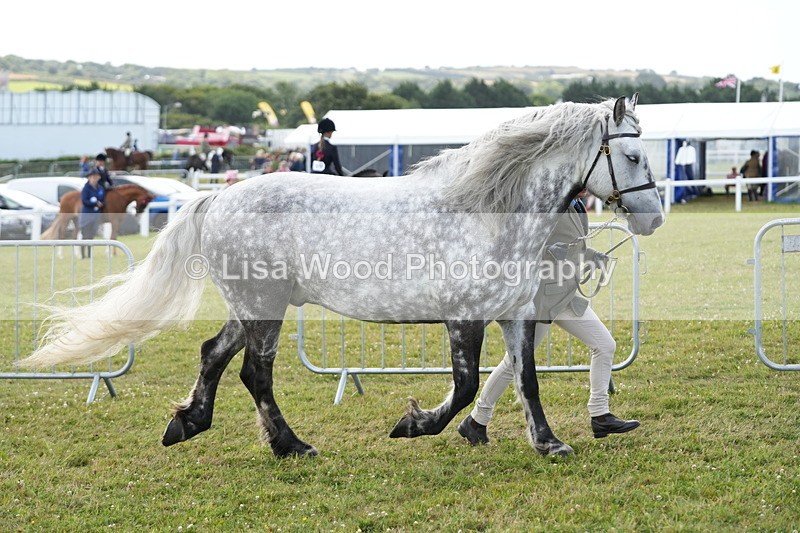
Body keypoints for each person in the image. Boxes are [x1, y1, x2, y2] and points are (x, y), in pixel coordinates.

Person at [457, 192, 640, 445]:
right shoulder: (544, 204)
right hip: (540, 300)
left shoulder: (575, 204)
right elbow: (522, 244)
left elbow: (573, 243)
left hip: (564, 295)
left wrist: (590, 255)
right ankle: (476, 420)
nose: (588, 189)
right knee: (514, 363)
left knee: (604, 345)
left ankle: (600, 415)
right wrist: (548, 252)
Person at [79, 168, 105, 259]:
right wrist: (95, 203)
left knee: (91, 236)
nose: (94, 178)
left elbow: (103, 200)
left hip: (96, 215)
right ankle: (83, 255)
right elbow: (84, 201)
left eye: (96, 177)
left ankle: (90, 255)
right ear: (89, 178)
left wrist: (101, 204)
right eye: (92, 177)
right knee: (85, 235)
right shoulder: (86, 188)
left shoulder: (100, 188)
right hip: (87, 215)